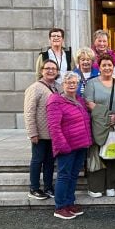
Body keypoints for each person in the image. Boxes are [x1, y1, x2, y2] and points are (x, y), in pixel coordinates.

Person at [47, 72, 93, 220]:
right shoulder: (56, 100)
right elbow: (54, 126)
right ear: (63, 84)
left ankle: (69, 203)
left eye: (74, 82)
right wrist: (62, 145)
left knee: (73, 176)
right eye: (68, 82)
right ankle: (60, 207)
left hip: (80, 145)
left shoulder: (79, 99)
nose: (72, 85)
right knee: (64, 176)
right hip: (67, 146)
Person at [83, 53, 115, 198]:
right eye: (104, 65)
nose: (107, 67)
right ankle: (96, 187)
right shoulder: (92, 83)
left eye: (109, 65)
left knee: (114, 154)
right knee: (97, 156)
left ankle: (111, 186)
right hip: (98, 125)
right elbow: (88, 102)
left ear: (113, 67)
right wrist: (106, 116)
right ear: (99, 67)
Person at [24, 59, 59, 200]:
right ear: (42, 70)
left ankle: (48, 187)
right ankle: (34, 188)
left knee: (50, 162)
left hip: (53, 134)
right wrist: (32, 133)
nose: (50, 71)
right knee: (37, 160)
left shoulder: (58, 87)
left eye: (53, 69)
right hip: (40, 133)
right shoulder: (35, 88)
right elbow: (29, 112)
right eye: (47, 68)